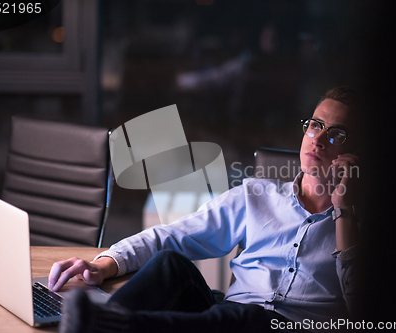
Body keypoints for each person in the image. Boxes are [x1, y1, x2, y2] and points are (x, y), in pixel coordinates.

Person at [50, 86, 363, 333]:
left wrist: (343, 211)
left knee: (251, 319)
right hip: (227, 320)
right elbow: (170, 237)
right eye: (315, 125)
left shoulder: (361, 224)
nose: (318, 140)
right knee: (171, 263)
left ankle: (116, 327)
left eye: (336, 134)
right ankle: (97, 323)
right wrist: (103, 265)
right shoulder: (256, 195)